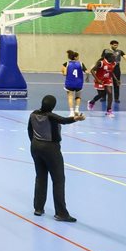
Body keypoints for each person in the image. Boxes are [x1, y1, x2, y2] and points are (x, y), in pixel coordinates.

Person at [29, 94, 83, 223]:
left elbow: (29, 131)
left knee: (40, 177)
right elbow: (63, 120)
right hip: (51, 149)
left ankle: (38, 208)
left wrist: (35, 143)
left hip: (35, 147)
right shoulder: (51, 116)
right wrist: (76, 118)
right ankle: (61, 213)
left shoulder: (33, 114)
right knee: (58, 180)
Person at [100, 39, 126, 108]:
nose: (116, 46)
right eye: (114, 45)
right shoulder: (106, 51)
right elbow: (102, 59)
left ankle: (116, 98)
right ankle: (103, 97)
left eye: (117, 45)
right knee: (105, 82)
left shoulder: (120, 51)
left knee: (116, 83)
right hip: (107, 68)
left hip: (116, 68)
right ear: (111, 45)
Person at [61, 50, 85, 116]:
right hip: (79, 83)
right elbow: (86, 71)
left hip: (70, 83)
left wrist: (65, 71)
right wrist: (87, 76)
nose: (79, 57)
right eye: (78, 56)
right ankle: (77, 110)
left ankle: (71, 112)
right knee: (78, 96)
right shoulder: (81, 63)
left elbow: (64, 73)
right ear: (75, 57)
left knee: (70, 97)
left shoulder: (66, 63)